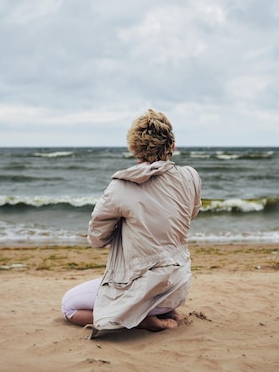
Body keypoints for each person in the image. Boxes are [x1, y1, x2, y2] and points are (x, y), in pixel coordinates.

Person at [61, 109, 201, 332]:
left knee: (69, 306)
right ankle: (164, 311)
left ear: (134, 148)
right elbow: (190, 213)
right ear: (172, 145)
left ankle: (142, 320)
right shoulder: (191, 176)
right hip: (177, 285)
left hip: (145, 289)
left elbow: (96, 239)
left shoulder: (122, 186)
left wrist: (120, 226)